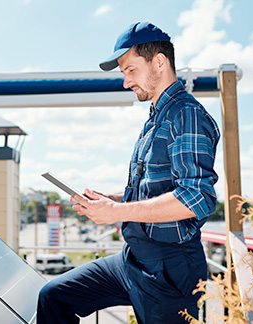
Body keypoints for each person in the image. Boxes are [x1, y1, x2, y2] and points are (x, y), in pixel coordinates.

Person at [37, 22, 220, 324]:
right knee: (54, 296)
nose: (125, 82)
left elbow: (195, 198)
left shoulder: (186, 115)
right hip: (133, 259)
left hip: (169, 269)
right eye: (124, 73)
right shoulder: (156, 116)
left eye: (131, 70)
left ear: (159, 62)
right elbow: (156, 191)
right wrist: (109, 200)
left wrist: (117, 211)